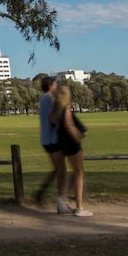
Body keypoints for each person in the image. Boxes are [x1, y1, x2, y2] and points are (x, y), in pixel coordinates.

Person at [50, 83, 93, 217]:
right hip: (72, 144)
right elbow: (69, 126)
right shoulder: (66, 109)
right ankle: (79, 207)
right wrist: (78, 136)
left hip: (63, 144)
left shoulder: (54, 111)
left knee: (75, 173)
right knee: (79, 174)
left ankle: (62, 197)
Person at [34, 75, 72, 213]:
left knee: (58, 169)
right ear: (50, 85)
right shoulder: (49, 99)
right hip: (52, 139)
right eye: (55, 83)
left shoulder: (43, 99)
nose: (56, 86)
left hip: (46, 139)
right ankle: (61, 202)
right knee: (62, 170)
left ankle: (42, 191)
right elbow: (53, 118)